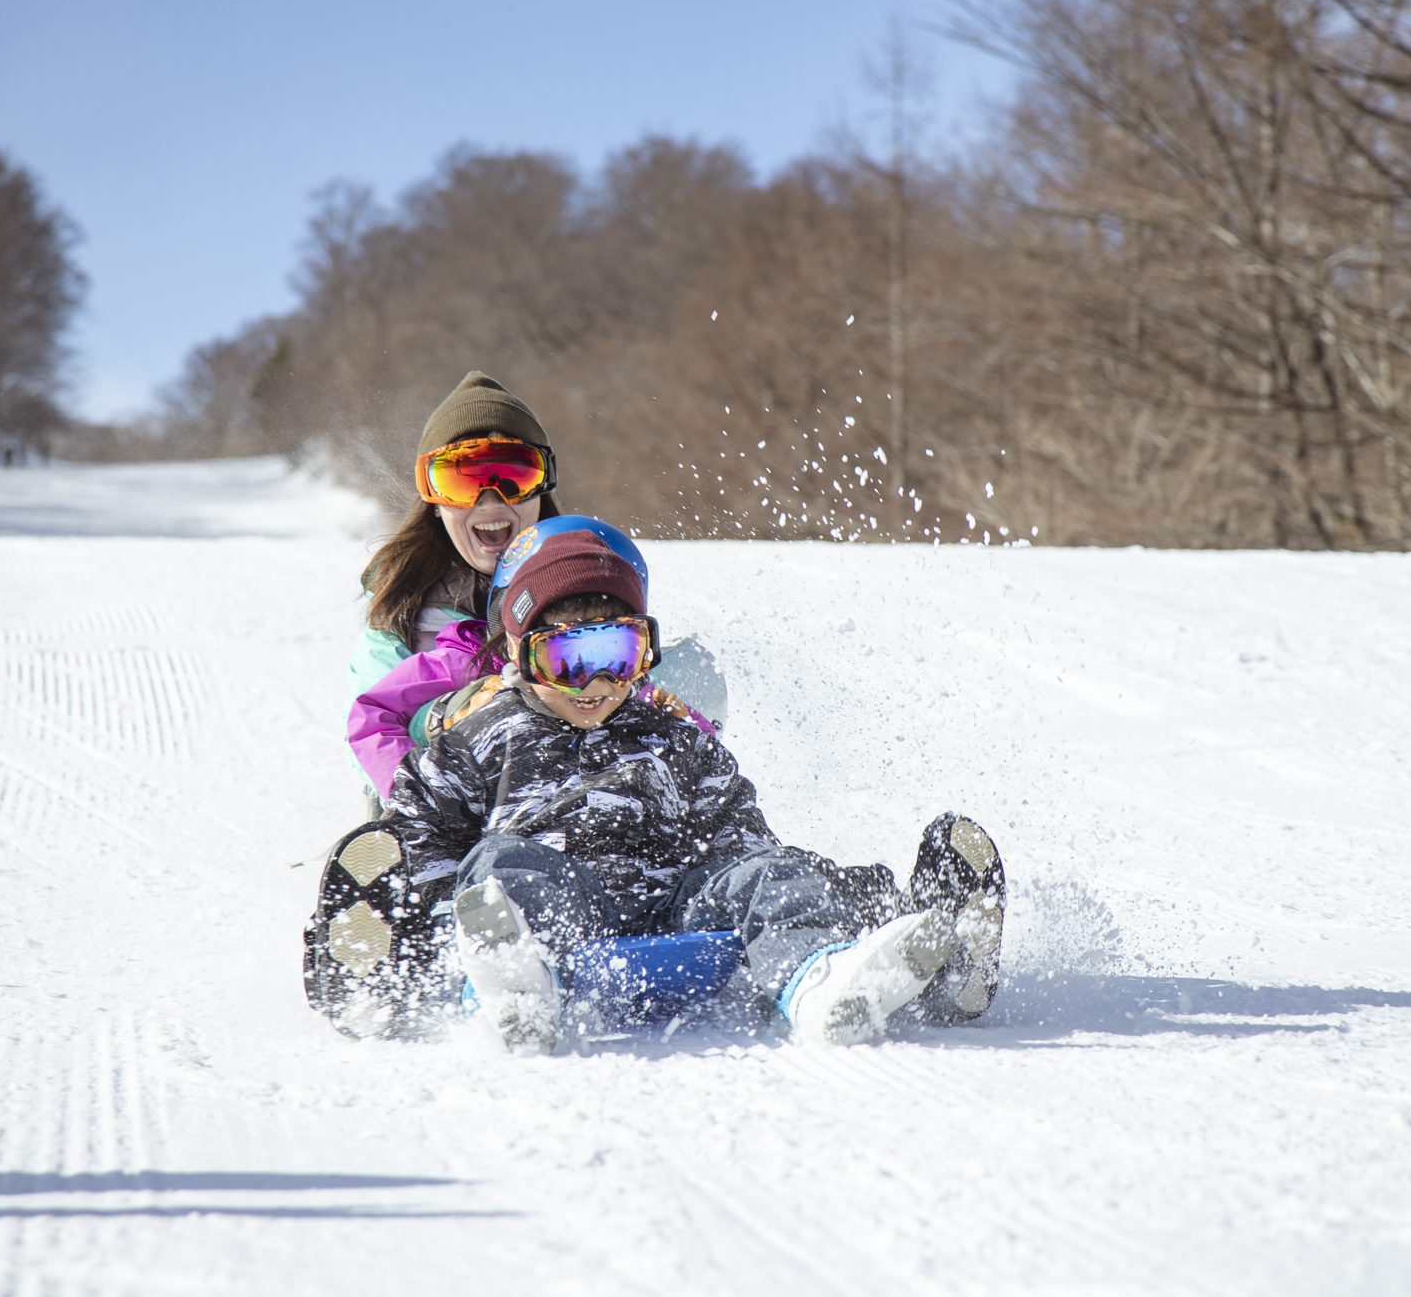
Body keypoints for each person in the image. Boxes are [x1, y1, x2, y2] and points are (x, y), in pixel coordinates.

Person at [303, 523, 1005, 1049]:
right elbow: (428, 838)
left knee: (774, 872)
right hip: (560, 925)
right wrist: (410, 909)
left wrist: (769, 880)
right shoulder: (480, 737)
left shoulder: (672, 737)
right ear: (520, 653)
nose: (599, 684)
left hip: (680, 910)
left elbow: (739, 839)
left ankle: (830, 979)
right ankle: (504, 987)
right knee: (495, 867)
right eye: (569, 660)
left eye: (620, 656)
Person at [347, 517, 718, 804]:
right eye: (563, 656)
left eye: (610, 647)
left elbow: (703, 746)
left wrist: (683, 724)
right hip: (479, 808)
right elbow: (374, 714)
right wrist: (411, 788)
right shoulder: (462, 663)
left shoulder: (627, 685)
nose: (591, 679)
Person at [347, 371, 561, 812]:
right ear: (434, 501)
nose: (489, 500)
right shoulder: (405, 603)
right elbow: (370, 732)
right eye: (462, 481)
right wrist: (461, 710)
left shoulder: (580, 581)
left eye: (513, 475)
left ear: (543, 486)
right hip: (436, 797)